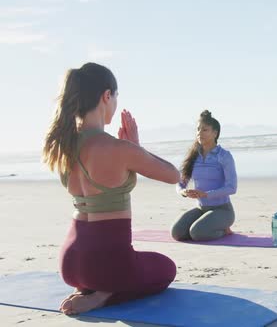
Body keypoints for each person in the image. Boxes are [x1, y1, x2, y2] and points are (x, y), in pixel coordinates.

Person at [42, 63, 180, 315]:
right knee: (166, 269)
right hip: (108, 267)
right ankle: (105, 295)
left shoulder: (65, 147)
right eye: (116, 97)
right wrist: (136, 147)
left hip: (70, 264)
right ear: (107, 96)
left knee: (115, 268)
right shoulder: (118, 148)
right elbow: (173, 175)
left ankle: (90, 288)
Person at [171, 110, 237, 241]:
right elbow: (180, 182)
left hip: (223, 210)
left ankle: (224, 230)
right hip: (201, 209)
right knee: (177, 233)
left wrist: (206, 194)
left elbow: (231, 188)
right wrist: (183, 191)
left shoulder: (224, 156)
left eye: (205, 130)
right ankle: (208, 226)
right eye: (198, 130)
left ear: (215, 133)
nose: (200, 133)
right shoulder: (193, 156)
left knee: (197, 233)